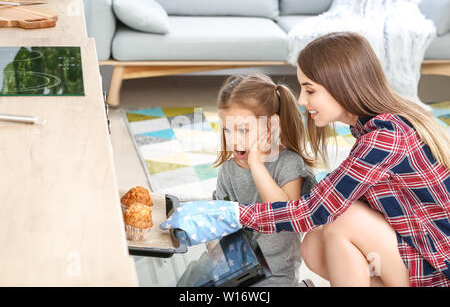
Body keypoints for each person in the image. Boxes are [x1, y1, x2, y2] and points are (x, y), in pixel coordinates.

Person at [161, 32, 450, 287]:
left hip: (436, 272)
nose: (301, 100)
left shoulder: (386, 138)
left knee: (340, 219)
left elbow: (311, 210)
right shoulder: (369, 129)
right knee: (314, 243)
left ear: (342, 85)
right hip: (413, 254)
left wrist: (234, 214)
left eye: (310, 89)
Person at [212, 74, 316, 287]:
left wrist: (257, 165)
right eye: (227, 129)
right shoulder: (228, 172)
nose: (233, 140)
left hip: (277, 275)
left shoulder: (289, 163)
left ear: (271, 126)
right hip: (238, 272)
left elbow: (286, 214)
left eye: (243, 130)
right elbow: (219, 224)